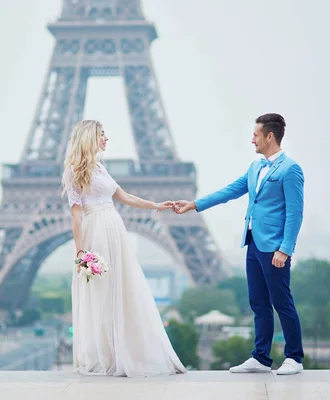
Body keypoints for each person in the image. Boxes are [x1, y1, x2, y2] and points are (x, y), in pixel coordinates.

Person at [173, 113, 305, 375]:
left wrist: (285, 249)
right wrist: (195, 204)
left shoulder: (290, 170)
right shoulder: (256, 167)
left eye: (255, 135)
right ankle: (261, 357)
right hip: (254, 243)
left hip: (274, 247)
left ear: (270, 136)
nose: (252, 140)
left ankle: (294, 357)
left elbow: (295, 213)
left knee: (282, 302)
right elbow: (230, 190)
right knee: (257, 302)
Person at [62, 119, 186, 377]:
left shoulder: (100, 168)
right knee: (103, 293)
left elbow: (125, 197)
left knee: (122, 288)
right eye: (102, 135)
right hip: (94, 231)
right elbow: (76, 216)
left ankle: (122, 353)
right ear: (90, 138)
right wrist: (80, 252)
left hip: (114, 229)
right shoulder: (75, 171)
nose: (106, 139)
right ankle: (107, 355)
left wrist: (156, 205)